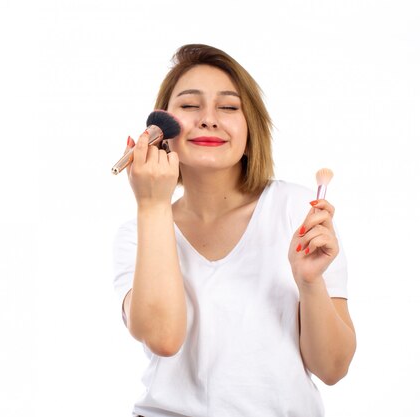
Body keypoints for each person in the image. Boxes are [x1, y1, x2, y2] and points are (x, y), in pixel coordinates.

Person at [112, 44, 356, 417]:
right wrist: (152, 205)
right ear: (161, 129)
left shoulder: (296, 210)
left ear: (250, 128)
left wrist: (309, 283)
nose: (209, 119)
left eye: (228, 107)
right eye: (190, 106)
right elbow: (163, 338)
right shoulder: (137, 233)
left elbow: (333, 369)